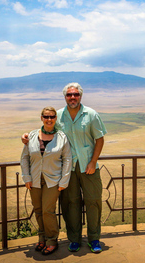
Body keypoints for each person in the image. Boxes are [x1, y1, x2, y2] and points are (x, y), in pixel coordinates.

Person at [22, 82, 107, 254]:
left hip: (88, 166)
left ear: (80, 96)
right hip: (67, 169)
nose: (72, 97)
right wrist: (27, 136)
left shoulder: (91, 114)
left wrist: (93, 162)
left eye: (75, 94)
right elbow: (47, 129)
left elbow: (100, 139)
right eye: (69, 95)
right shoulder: (58, 116)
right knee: (70, 204)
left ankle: (94, 238)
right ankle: (74, 239)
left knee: (93, 202)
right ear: (65, 97)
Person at [20, 106, 72, 255]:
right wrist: (26, 177)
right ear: (41, 118)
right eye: (46, 116)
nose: (49, 119)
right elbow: (24, 158)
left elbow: (67, 159)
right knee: (38, 210)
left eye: (52, 117)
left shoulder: (62, 137)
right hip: (35, 179)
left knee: (47, 211)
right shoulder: (31, 136)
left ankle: (51, 240)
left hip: (53, 180)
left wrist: (64, 181)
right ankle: (42, 238)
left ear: (56, 118)